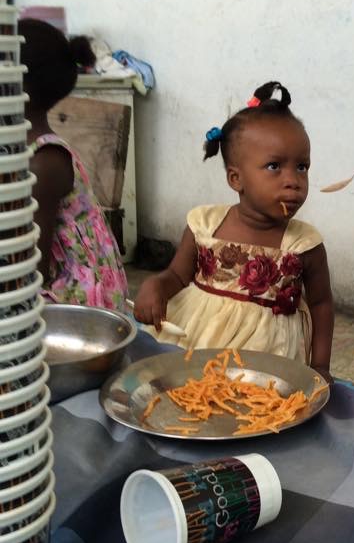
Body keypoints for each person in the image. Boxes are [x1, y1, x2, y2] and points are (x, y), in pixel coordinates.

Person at [134, 82, 334, 378]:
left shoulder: (304, 245)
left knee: (253, 403)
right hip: (198, 340)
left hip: (264, 357)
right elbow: (176, 275)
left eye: (302, 167)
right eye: (274, 166)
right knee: (187, 392)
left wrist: (320, 367)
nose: (293, 181)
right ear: (235, 178)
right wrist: (155, 286)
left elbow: (321, 304)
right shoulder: (205, 225)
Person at [20, 18, 128, 309]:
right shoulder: (20, 150)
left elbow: (32, 270)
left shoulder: (43, 163)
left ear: (16, 84)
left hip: (77, 299)